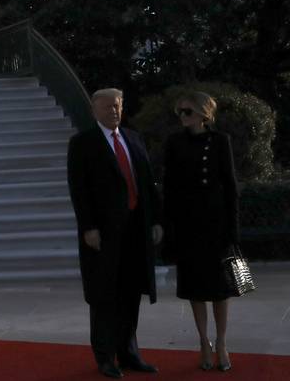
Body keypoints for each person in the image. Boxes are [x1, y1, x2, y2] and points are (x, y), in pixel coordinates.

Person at [66, 89, 163, 379]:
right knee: (104, 296)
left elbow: (147, 182)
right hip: (104, 234)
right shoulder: (83, 144)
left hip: (135, 230)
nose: (114, 111)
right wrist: (89, 227)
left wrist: (156, 220)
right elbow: (79, 190)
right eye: (108, 106)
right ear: (95, 110)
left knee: (130, 293)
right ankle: (106, 357)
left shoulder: (133, 138)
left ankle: (129, 352)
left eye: (118, 106)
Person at [162, 91, 239, 372]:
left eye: (188, 112)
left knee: (221, 289)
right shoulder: (174, 143)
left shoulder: (220, 141)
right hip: (188, 225)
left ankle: (221, 342)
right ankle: (203, 342)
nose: (183, 117)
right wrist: (168, 226)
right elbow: (169, 187)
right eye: (180, 112)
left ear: (203, 114)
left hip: (216, 224)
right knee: (196, 288)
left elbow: (230, 187)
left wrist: (233, 229)